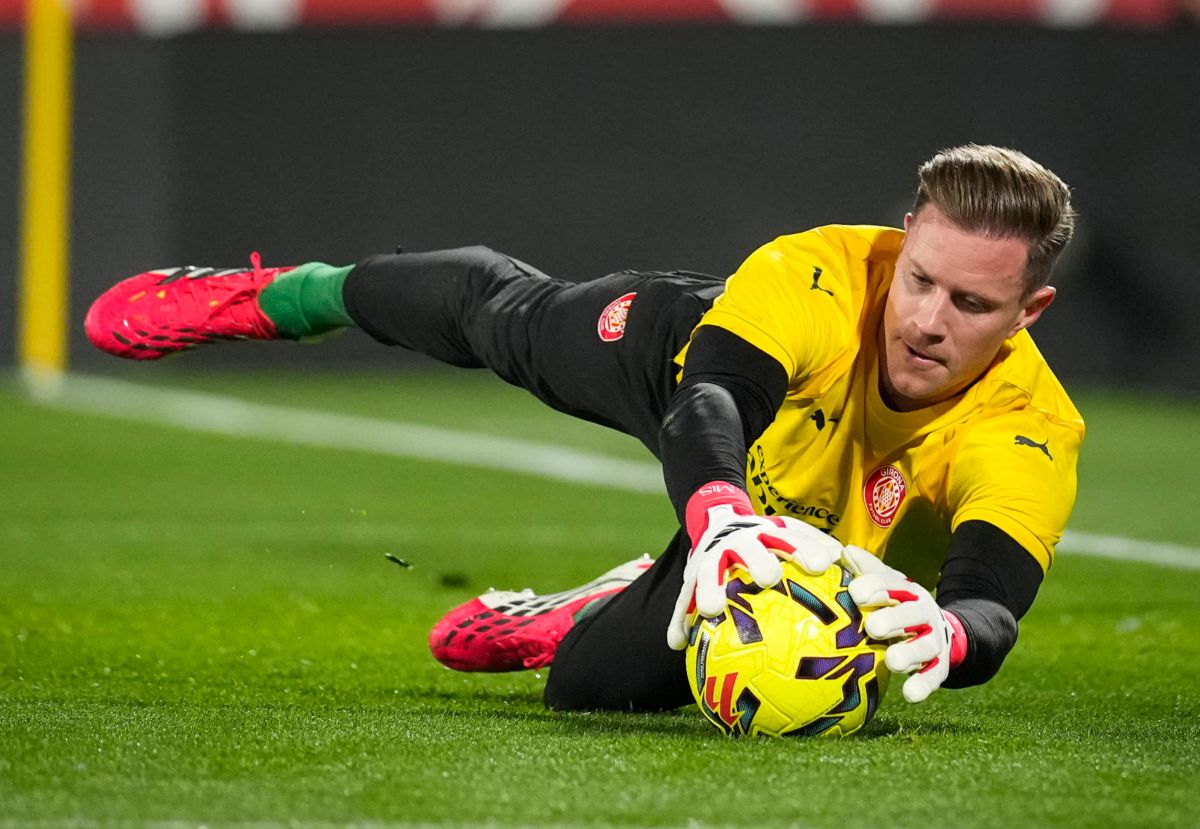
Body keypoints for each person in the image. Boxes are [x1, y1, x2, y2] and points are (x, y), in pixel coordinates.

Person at [84, 143, 1083, 716]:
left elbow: (993, 601)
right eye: (918, 279)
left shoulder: (1028, 428)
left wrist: (951, 636)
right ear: (900, 243)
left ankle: (585, 611)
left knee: (590, 692)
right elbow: (712, 402)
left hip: (804, 539)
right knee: (508, 322)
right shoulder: (818, 272)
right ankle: (282, 295)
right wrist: (724, 520)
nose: (924, 319)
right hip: (692, 376)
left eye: (969, 303)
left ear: (1027, 313)